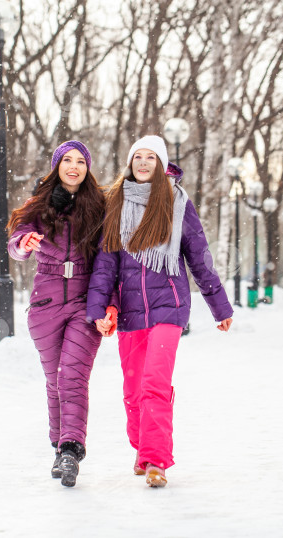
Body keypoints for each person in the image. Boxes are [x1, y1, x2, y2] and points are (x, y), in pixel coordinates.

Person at [86, 135, 234, 488]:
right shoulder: (115, 205)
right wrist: (97, 308)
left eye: (151, 157)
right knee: (133, 390)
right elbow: (105, 265)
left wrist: (219, 305)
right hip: (130, 311)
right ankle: (143, 449)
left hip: (169, 306)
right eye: (138, 156)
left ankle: (156, 461)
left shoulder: (177, 203)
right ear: (130, 163)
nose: (143, 162)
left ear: (161, 163)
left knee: (154, 383)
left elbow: (199, 257)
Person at [7, 140, 106, 487]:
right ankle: (57, 446)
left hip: (84, 301)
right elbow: (17, 239)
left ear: (87, 168)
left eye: (81, 161)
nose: (74, 166)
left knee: (72, 375)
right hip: (45, 303)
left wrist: (108, 303)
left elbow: (109, 260)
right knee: (54, 380)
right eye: (68, 160)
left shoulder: (99, 206)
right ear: (57, 166)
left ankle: (71, 449)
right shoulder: (39, 205)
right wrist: (24, 244)